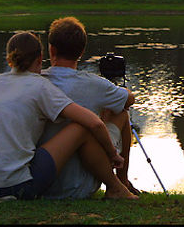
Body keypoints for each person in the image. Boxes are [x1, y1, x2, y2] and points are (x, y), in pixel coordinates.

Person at [0, 31, 137, 204]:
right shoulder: (39, 86)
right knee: (81, 126)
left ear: (9, 59)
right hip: (7, 188)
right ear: (40, 58)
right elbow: (94, 123)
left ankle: (118, 187)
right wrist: (113, 155)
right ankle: (116, 187)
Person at [37, 16, 140, 199]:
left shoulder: (36, 82)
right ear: (82, 51)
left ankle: (120, 184)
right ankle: (121, 183)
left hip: (41, 178)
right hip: (80, 186)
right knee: (121, 113)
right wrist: (121, 91)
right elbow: (129, 100)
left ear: (51, 49)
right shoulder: (94, 84)